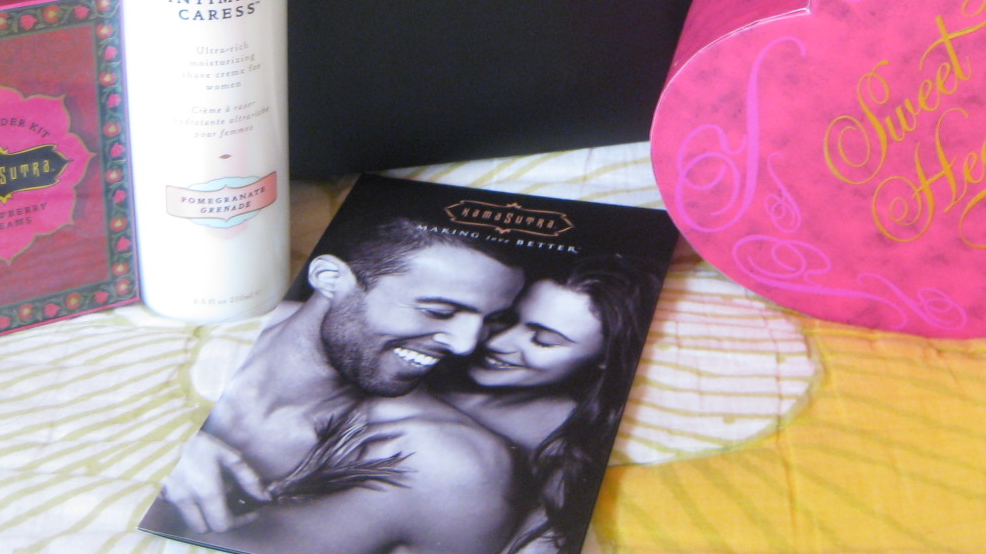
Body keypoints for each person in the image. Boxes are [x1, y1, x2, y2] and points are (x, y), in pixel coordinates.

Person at [142, 219, 528, 554]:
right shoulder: (192, 327)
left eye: (492, 320)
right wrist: (154, 443)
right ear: (330, 279)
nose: (465, 345)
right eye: (439, 311)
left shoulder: (452, 469)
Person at [437, 254, 659, 554]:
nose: (496, 343)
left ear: (605, 358)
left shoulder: (571, 445)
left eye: (542, 340)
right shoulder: (435, 361)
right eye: (505, 318)